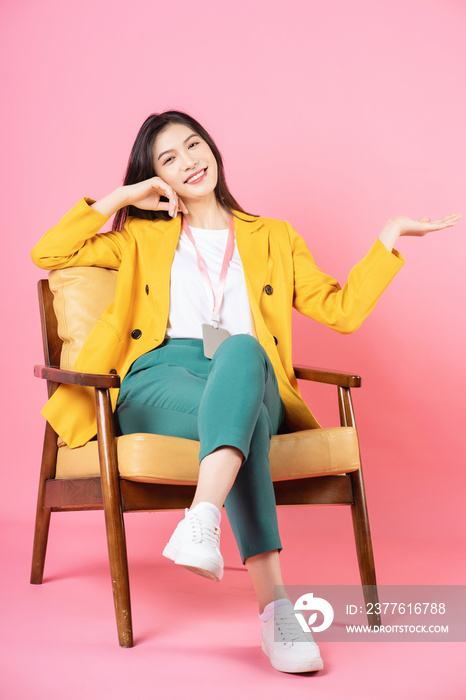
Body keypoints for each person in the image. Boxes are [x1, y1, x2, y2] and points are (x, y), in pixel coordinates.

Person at [31, 110, 461, 674]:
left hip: (245, 375)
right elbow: (50, 254)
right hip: (159, 378)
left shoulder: (273, 236)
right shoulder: (139, 236)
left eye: (193, 145)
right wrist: (121, 197)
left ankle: (202, 518)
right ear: (155, 175)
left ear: (212, 148)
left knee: (242, 352)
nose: (188, 160)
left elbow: (342, 311)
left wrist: (390, 238)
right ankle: (276, 612)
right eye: (167, 158)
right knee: (247, 413)